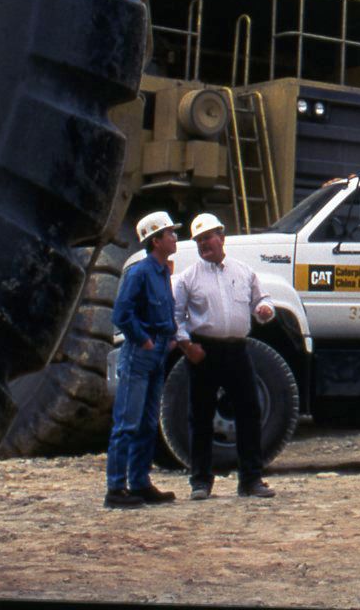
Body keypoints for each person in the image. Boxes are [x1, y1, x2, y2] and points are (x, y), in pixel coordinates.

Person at [173, 212, 278, 499]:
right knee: (201, 416)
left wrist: (265, 311)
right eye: (199, 240)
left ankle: (251, 480)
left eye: (208, 238)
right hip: (203, 351)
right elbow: (176, 317)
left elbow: (262, 299)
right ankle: (200, 482)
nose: (204, 244)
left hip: (237, 350)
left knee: (249, 412)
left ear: (222, 237)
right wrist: (187, 346)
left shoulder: (244, 272)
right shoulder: (187, 278)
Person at [105, 211, 183, 508]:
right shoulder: (139, 272)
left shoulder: (162, 271)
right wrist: (144, 338)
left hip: (157, 351)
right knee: (127, 423)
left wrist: (170, 336)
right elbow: (121, 314)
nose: (175, 237)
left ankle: (139, 482)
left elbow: (166, 309)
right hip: (141, 352)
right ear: (156, 240)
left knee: (148, 423)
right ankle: (115, 489)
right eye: (170, 234)